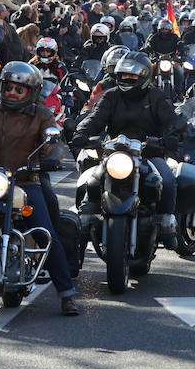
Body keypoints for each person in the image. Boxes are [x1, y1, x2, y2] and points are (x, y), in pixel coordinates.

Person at [0, 62, 80, 316]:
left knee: (46, 233)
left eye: (18, 89)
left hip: (27, 179)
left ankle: (66, 294)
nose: (11, 93)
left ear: (30, 92)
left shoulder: (41, 114)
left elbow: (52, 139)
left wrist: (51, 155)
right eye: (8, 87)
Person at [72, 52, 184, 249]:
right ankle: (84, 223)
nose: (127, 79)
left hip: (149, 153)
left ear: (144, 76)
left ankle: (167, 223)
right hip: (114, 153)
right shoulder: (111, 96)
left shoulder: (156, 96)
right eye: (123, 75)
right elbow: (95, 118)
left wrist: (174, 132)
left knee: (167, 180)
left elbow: (171, 119)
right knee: (91, 181)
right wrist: (81, 132)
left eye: (132, 76)